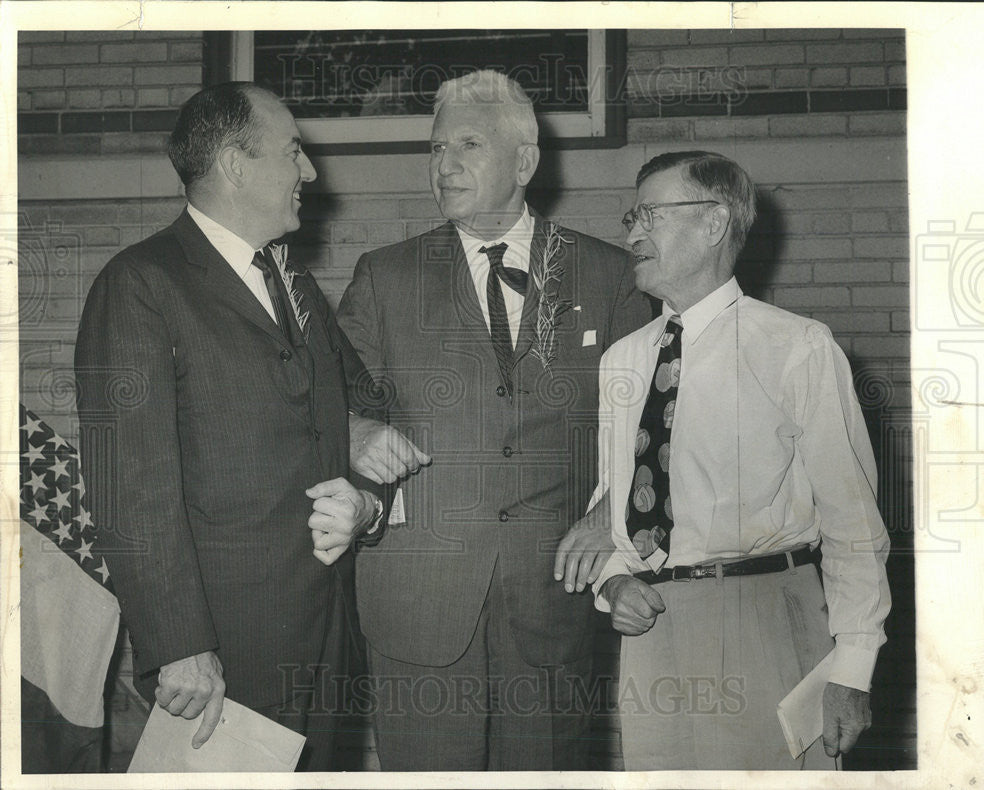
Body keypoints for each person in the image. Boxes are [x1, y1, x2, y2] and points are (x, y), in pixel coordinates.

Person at [334, 69, 650, 770]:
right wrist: (354, 432)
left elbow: (652, 421)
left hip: (553, 607)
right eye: (436, 147)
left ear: (525, 161)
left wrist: (611, 513)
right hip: (416, 603)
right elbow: (328, 396)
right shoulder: (383, 277)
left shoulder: (609, 276)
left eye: (469, 144)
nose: (444, 165)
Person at [74, 82, 389, 769]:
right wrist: (180, 642)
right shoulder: (140, 285)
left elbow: (368, 411)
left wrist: (368, 498)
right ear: (236, 166)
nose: (309, 172)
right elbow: (131, 486)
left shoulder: (296, 286)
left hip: (328, 636)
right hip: (222, 648)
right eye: (294, 151)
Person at [588, 150, 892, 769]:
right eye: (631, 215)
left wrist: (854, 668)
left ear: (715, 223)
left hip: (767, 614)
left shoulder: (797, 347)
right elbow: (620, 501)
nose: (632, 232)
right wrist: (613, 582)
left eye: (651, 214)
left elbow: (853, 523)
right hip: (653, 632)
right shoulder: (622, 359)